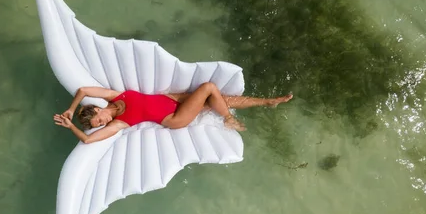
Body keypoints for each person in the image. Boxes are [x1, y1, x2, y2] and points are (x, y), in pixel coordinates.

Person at [53, 83, 293, 144]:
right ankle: (229, 119)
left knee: (222, 98)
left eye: (99, 119)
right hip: (174, 118)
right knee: (209, 88)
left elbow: (83, 90)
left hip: (172, 100)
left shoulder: (115, 96)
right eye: (100, 124)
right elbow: (87, 139)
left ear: (96, 108)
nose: (104, 122)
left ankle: (268, 102)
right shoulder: (120, 124)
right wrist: (72, 126)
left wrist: (71, 110)